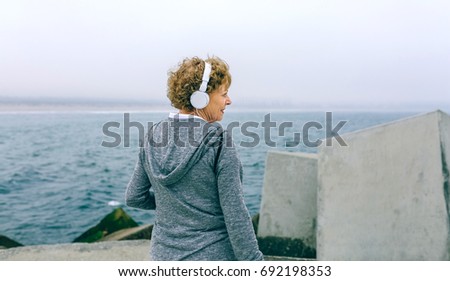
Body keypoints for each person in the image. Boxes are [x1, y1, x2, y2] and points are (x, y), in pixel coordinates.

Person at [125, 56, 264, 261]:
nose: (229, 100)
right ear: (202, 98)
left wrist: (173, 206)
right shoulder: (219, 141)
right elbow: (235, 214)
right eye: (224, 94)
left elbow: (134, 197)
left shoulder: (152, 136)